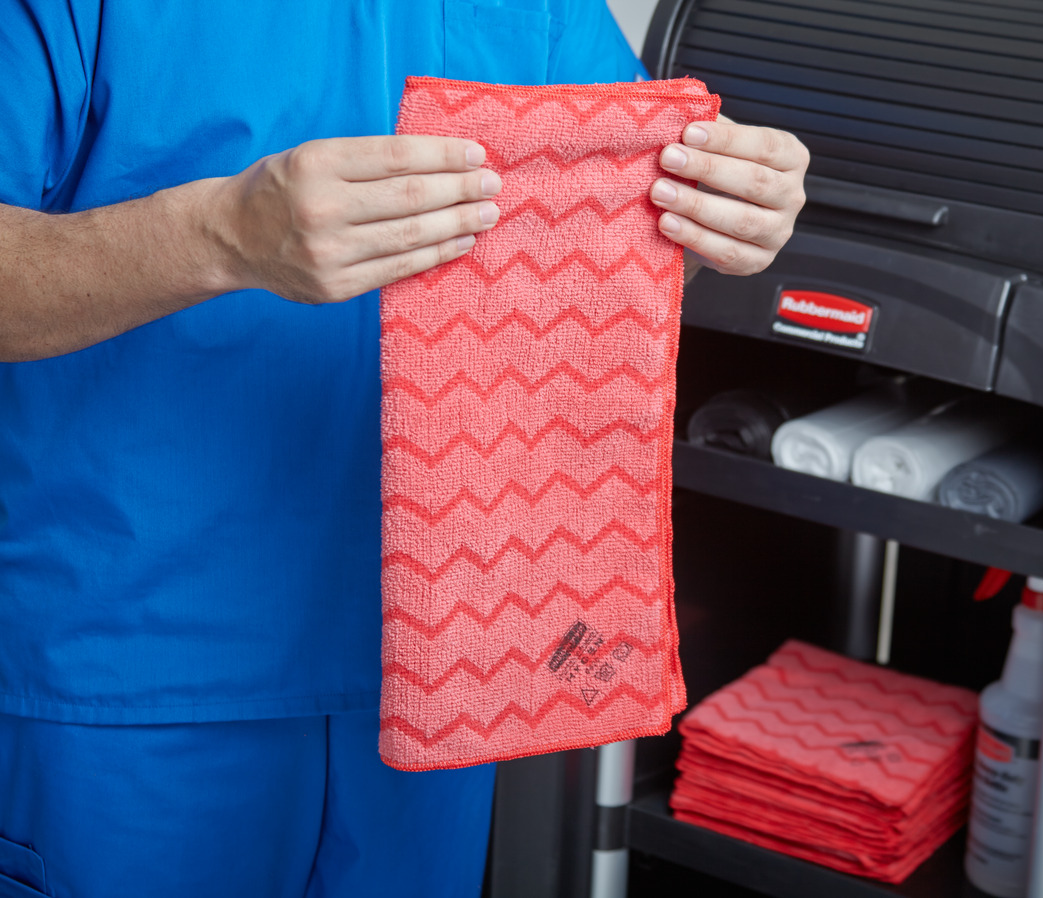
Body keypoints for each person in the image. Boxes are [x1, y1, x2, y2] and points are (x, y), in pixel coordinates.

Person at [0, 1, 807, 896]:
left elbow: (609, 227)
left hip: (445, 661)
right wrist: (217, 235)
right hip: (127, 682)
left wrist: (718, 211)